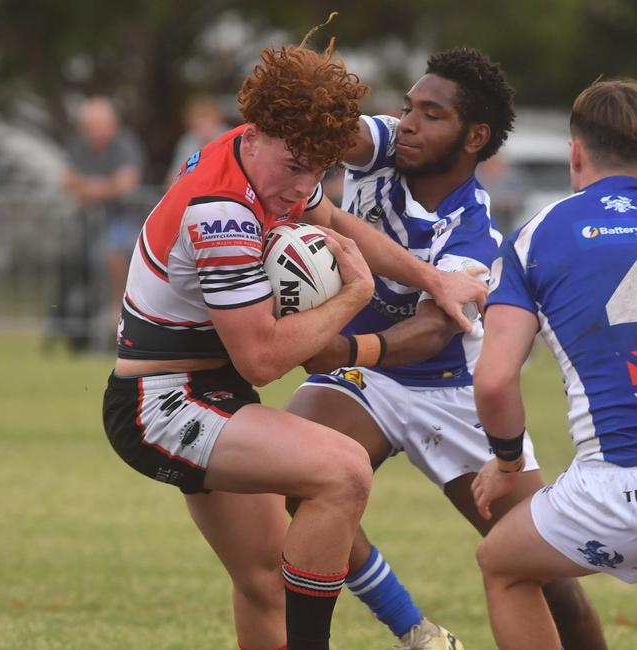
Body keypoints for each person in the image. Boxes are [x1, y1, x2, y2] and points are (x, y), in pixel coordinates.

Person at [102, 21, 486, 650]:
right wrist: (357, 298)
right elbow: (261, 359)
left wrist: (431, 279)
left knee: (265, 582)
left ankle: (407, 629)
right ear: (254, 134)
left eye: (320, 169)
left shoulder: (261, 156)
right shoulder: (221, 213)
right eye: (295, 166)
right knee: (342, 471)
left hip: (204, 387)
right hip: (164, 403)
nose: (302, 186)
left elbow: (329, 215)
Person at [286, 47, 607, 650]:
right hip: (370, 381)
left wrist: (348, 350)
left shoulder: (476, 229)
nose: (408, 121)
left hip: (453, 392)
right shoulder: (386, 144)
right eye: (409, 106)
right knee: (303, 477)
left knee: (549, 572)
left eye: (431, 114)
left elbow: (437, 328)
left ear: (473, 135)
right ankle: (415, 631)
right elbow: (342, 132)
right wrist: (310, 98)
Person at [471, 78, 637, 650]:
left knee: (503, 563)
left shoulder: (536, 237)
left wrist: (509, 463)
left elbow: (493, 381)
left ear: (575, 152)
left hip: (613, 493)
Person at [61, 96, 145, 342]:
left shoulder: (125, 143)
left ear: (111, 124)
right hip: (86, 223)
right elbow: (66, 180)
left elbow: (128, 182)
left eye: (97, 126)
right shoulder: (78, 145)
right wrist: (106, 186)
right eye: (88, 127)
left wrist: (90, 188)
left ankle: (115, 308)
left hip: (123, 219)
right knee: (67, 258)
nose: (93, 133)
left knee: (114, 252)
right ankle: (68, 320)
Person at [165, 94, 231, 183]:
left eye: (207, 121)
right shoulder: (188, 141)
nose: (203, 127)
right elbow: (174, 176)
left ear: (216, 120)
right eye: (198, 124)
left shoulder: (229, 138)